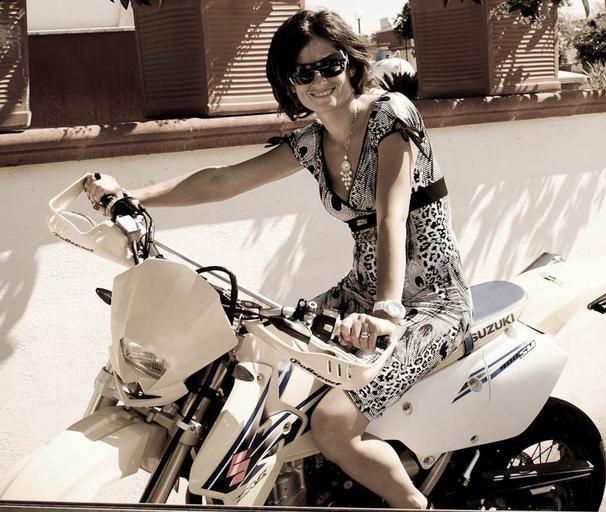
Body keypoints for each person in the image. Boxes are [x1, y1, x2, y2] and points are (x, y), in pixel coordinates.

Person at [85, 10, 471, 509]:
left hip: (428, 304)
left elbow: (391, 217)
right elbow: (223, 180)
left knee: (333, 423)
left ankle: (414, 505)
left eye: (329, 65)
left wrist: (386, 310)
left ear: (351, 62)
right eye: (303, 72)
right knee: (258, 360)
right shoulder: (312, 142)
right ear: (289, 82)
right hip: (357, 296)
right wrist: (131, 196)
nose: (319, 81)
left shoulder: (391, 115)